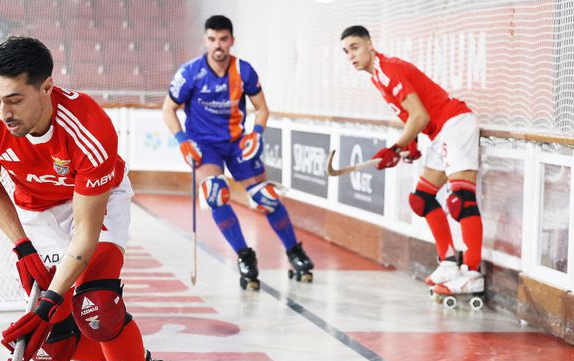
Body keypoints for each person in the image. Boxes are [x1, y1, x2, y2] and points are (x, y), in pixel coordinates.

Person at [0, 36, 163, 361]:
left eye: (15, 100)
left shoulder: (90, 130)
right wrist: (21, 247)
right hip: (36, 214)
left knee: (97, 308)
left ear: (47, 87)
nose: (4, 113)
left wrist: (49, 301)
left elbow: (86, 237)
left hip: (96, 205)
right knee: (50, 349)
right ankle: (119, 358)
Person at [163, 15, 313, 290]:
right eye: (212, 39)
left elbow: (262, 109)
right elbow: (168, 108)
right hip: (204, 146)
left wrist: (257, 133)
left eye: (223, 39)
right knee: (215, 194)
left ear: (231, 41)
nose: (217, 45)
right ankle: (245, 257)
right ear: (205, 40)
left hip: (236, 143)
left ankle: (295, 252)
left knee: (266, 198)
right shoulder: (190, 72)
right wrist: (182, 140)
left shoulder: (244, 71)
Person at [341, 25, 484, 296]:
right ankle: (448, 263)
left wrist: (395, 147)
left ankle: (473, 274)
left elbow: (421, 117)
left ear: (370, 44)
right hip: (440, 130)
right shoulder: (377, 77)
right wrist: (412, 145)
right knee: (422, 199)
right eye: (346, 51)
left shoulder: (388, 69)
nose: (351, 55)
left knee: (461, 200)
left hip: (455, 123)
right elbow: (411, 115)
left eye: (355, 47)